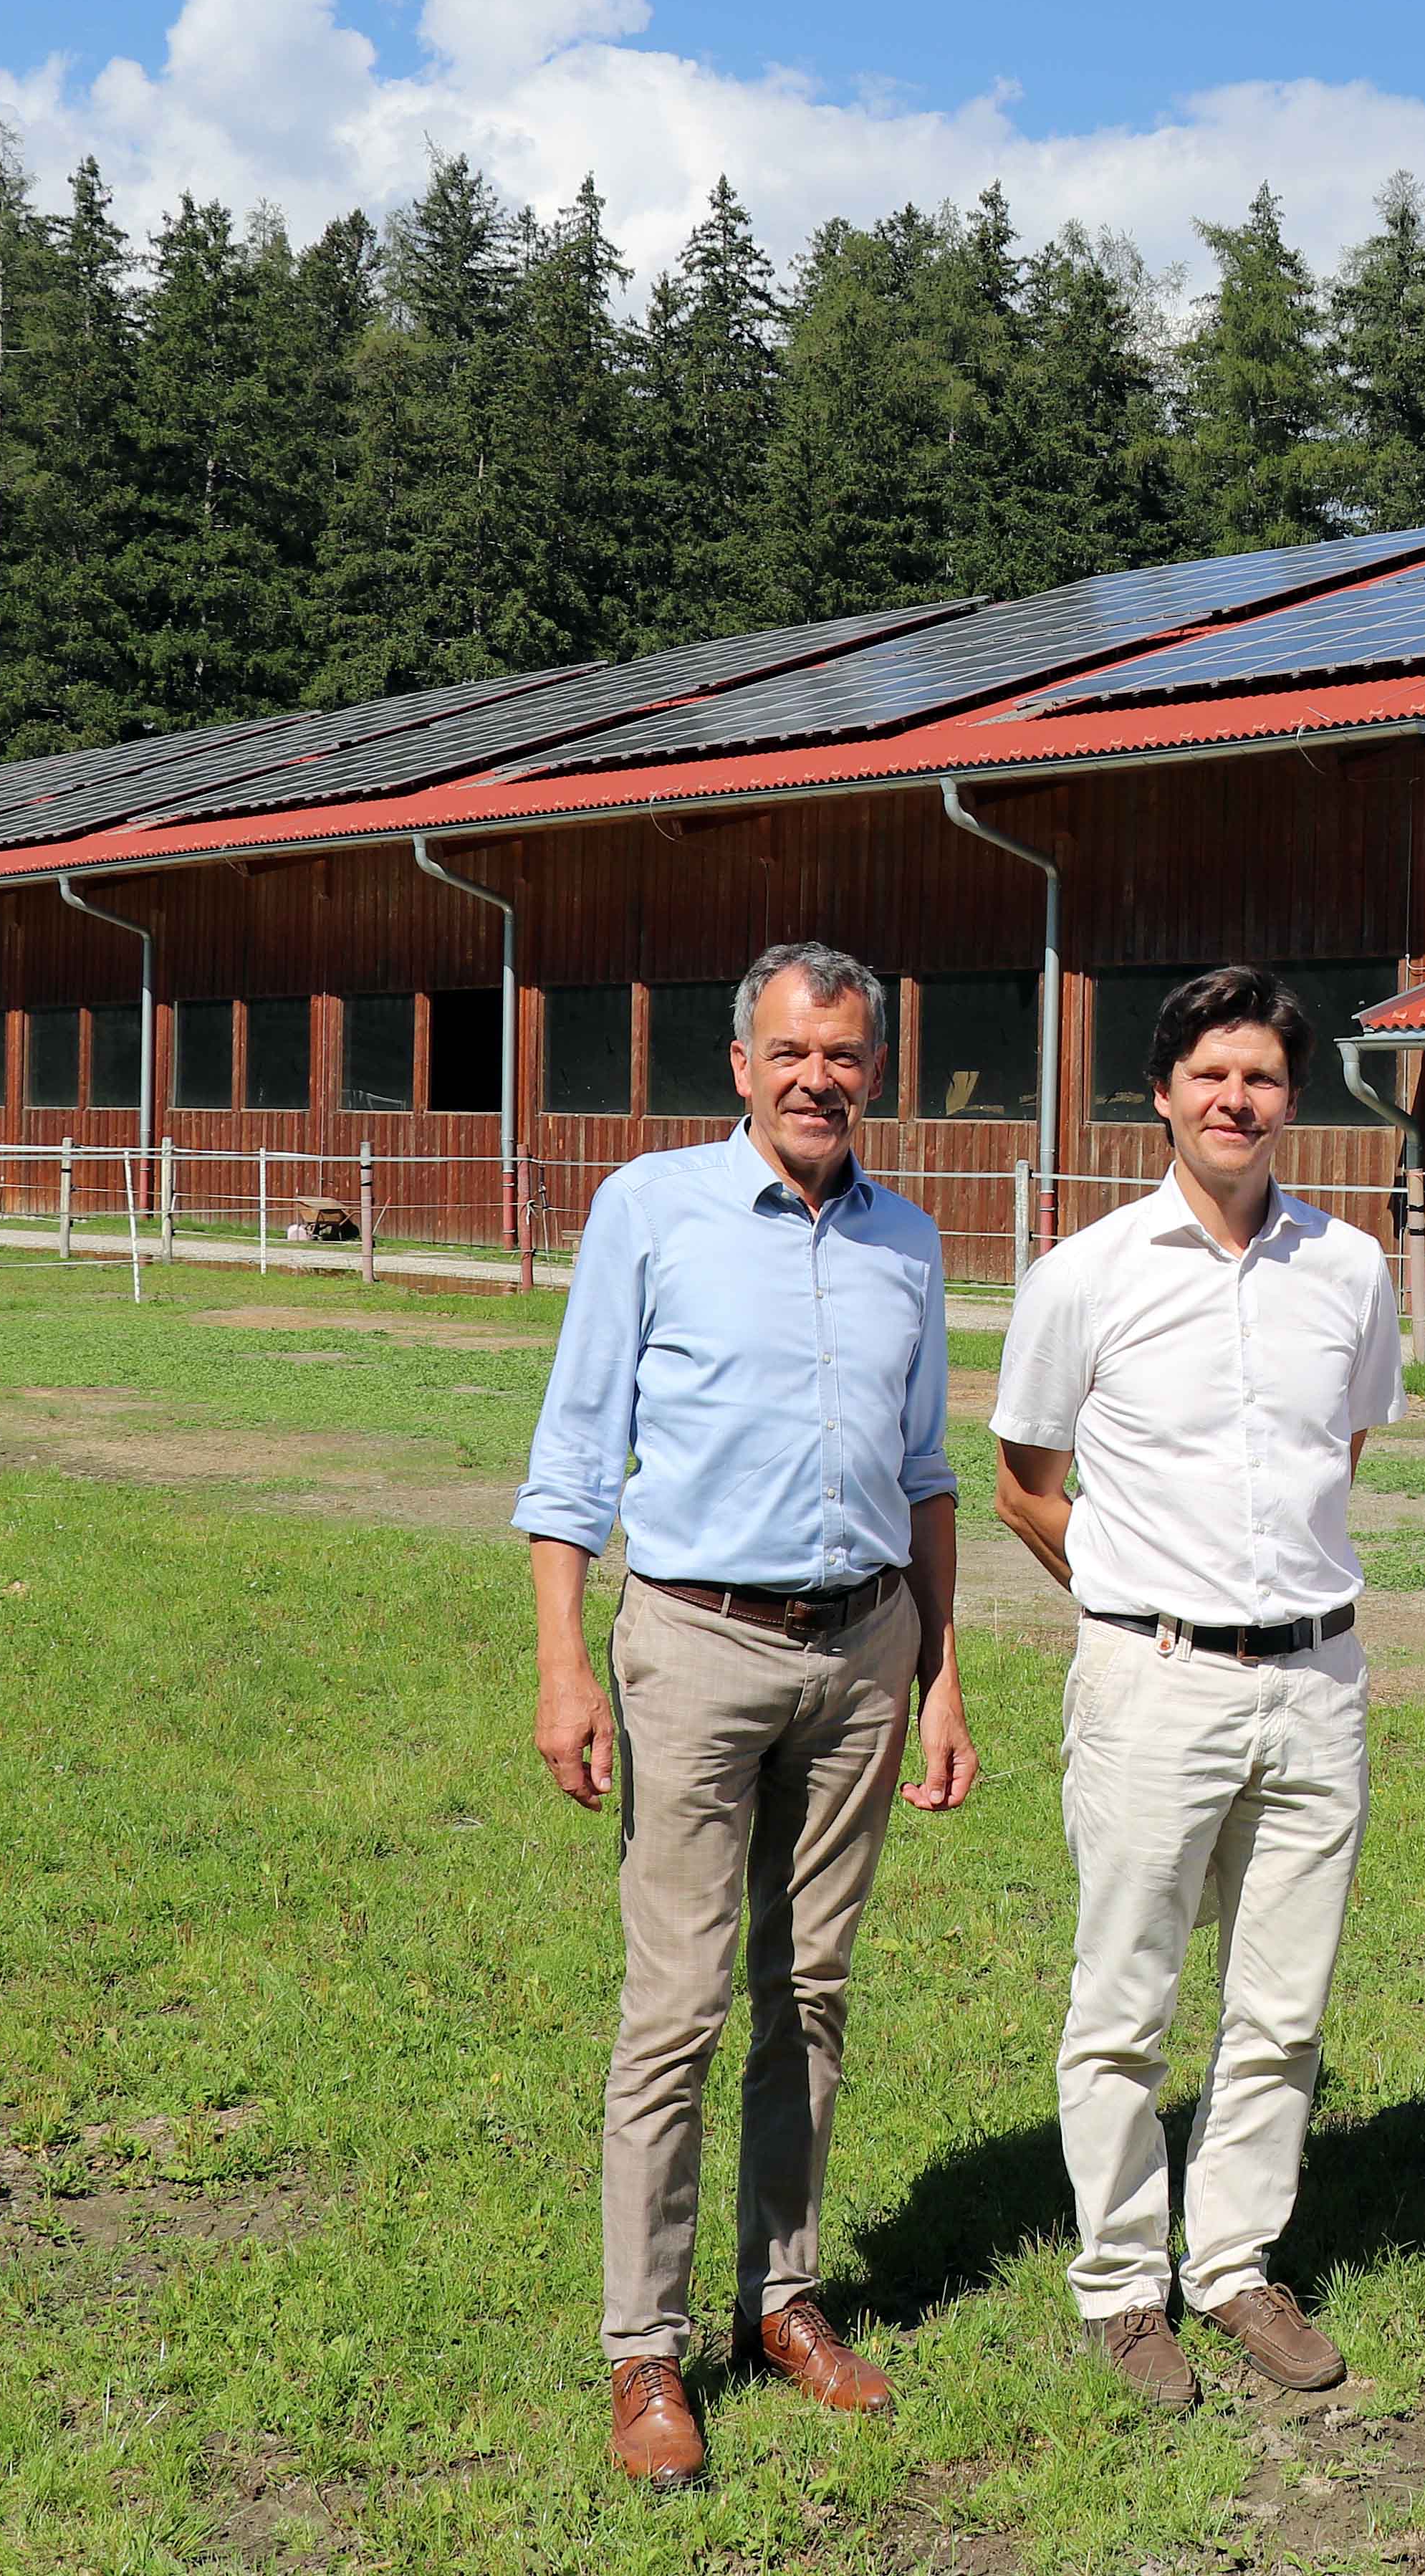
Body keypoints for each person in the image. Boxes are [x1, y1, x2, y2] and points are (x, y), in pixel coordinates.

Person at [515, 942, 982, 2494]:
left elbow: (926, 1472)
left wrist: (943, 1676)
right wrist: (564, 1665)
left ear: (873, 1068)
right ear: (740, 1064)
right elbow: (574, 1450)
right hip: (696, 1646)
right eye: (791, 1051)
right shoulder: (651, 1209)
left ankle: (783, 2299)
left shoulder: (907, 1239)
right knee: (680, 2007)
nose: (818, 1078)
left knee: (816, 1993)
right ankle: (645, 2349)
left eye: (844, 1054)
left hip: (863, 1652)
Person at [989, 966, 1405, 2413]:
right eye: (1211, 1073)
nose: (1239, 1099)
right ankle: (1122, 2284)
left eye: (1266, 1076)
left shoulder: (1348, 1268)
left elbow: (1336, 1453)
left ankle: (1233, 2262)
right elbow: (1025, 1486)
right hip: (1152, 1679)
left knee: (1283, 2003)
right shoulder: (1086, 1273)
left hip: (1316, 1679)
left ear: (1293, 1099)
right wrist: (1133, 1606)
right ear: (1161, 1092)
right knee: (1127, 1997)